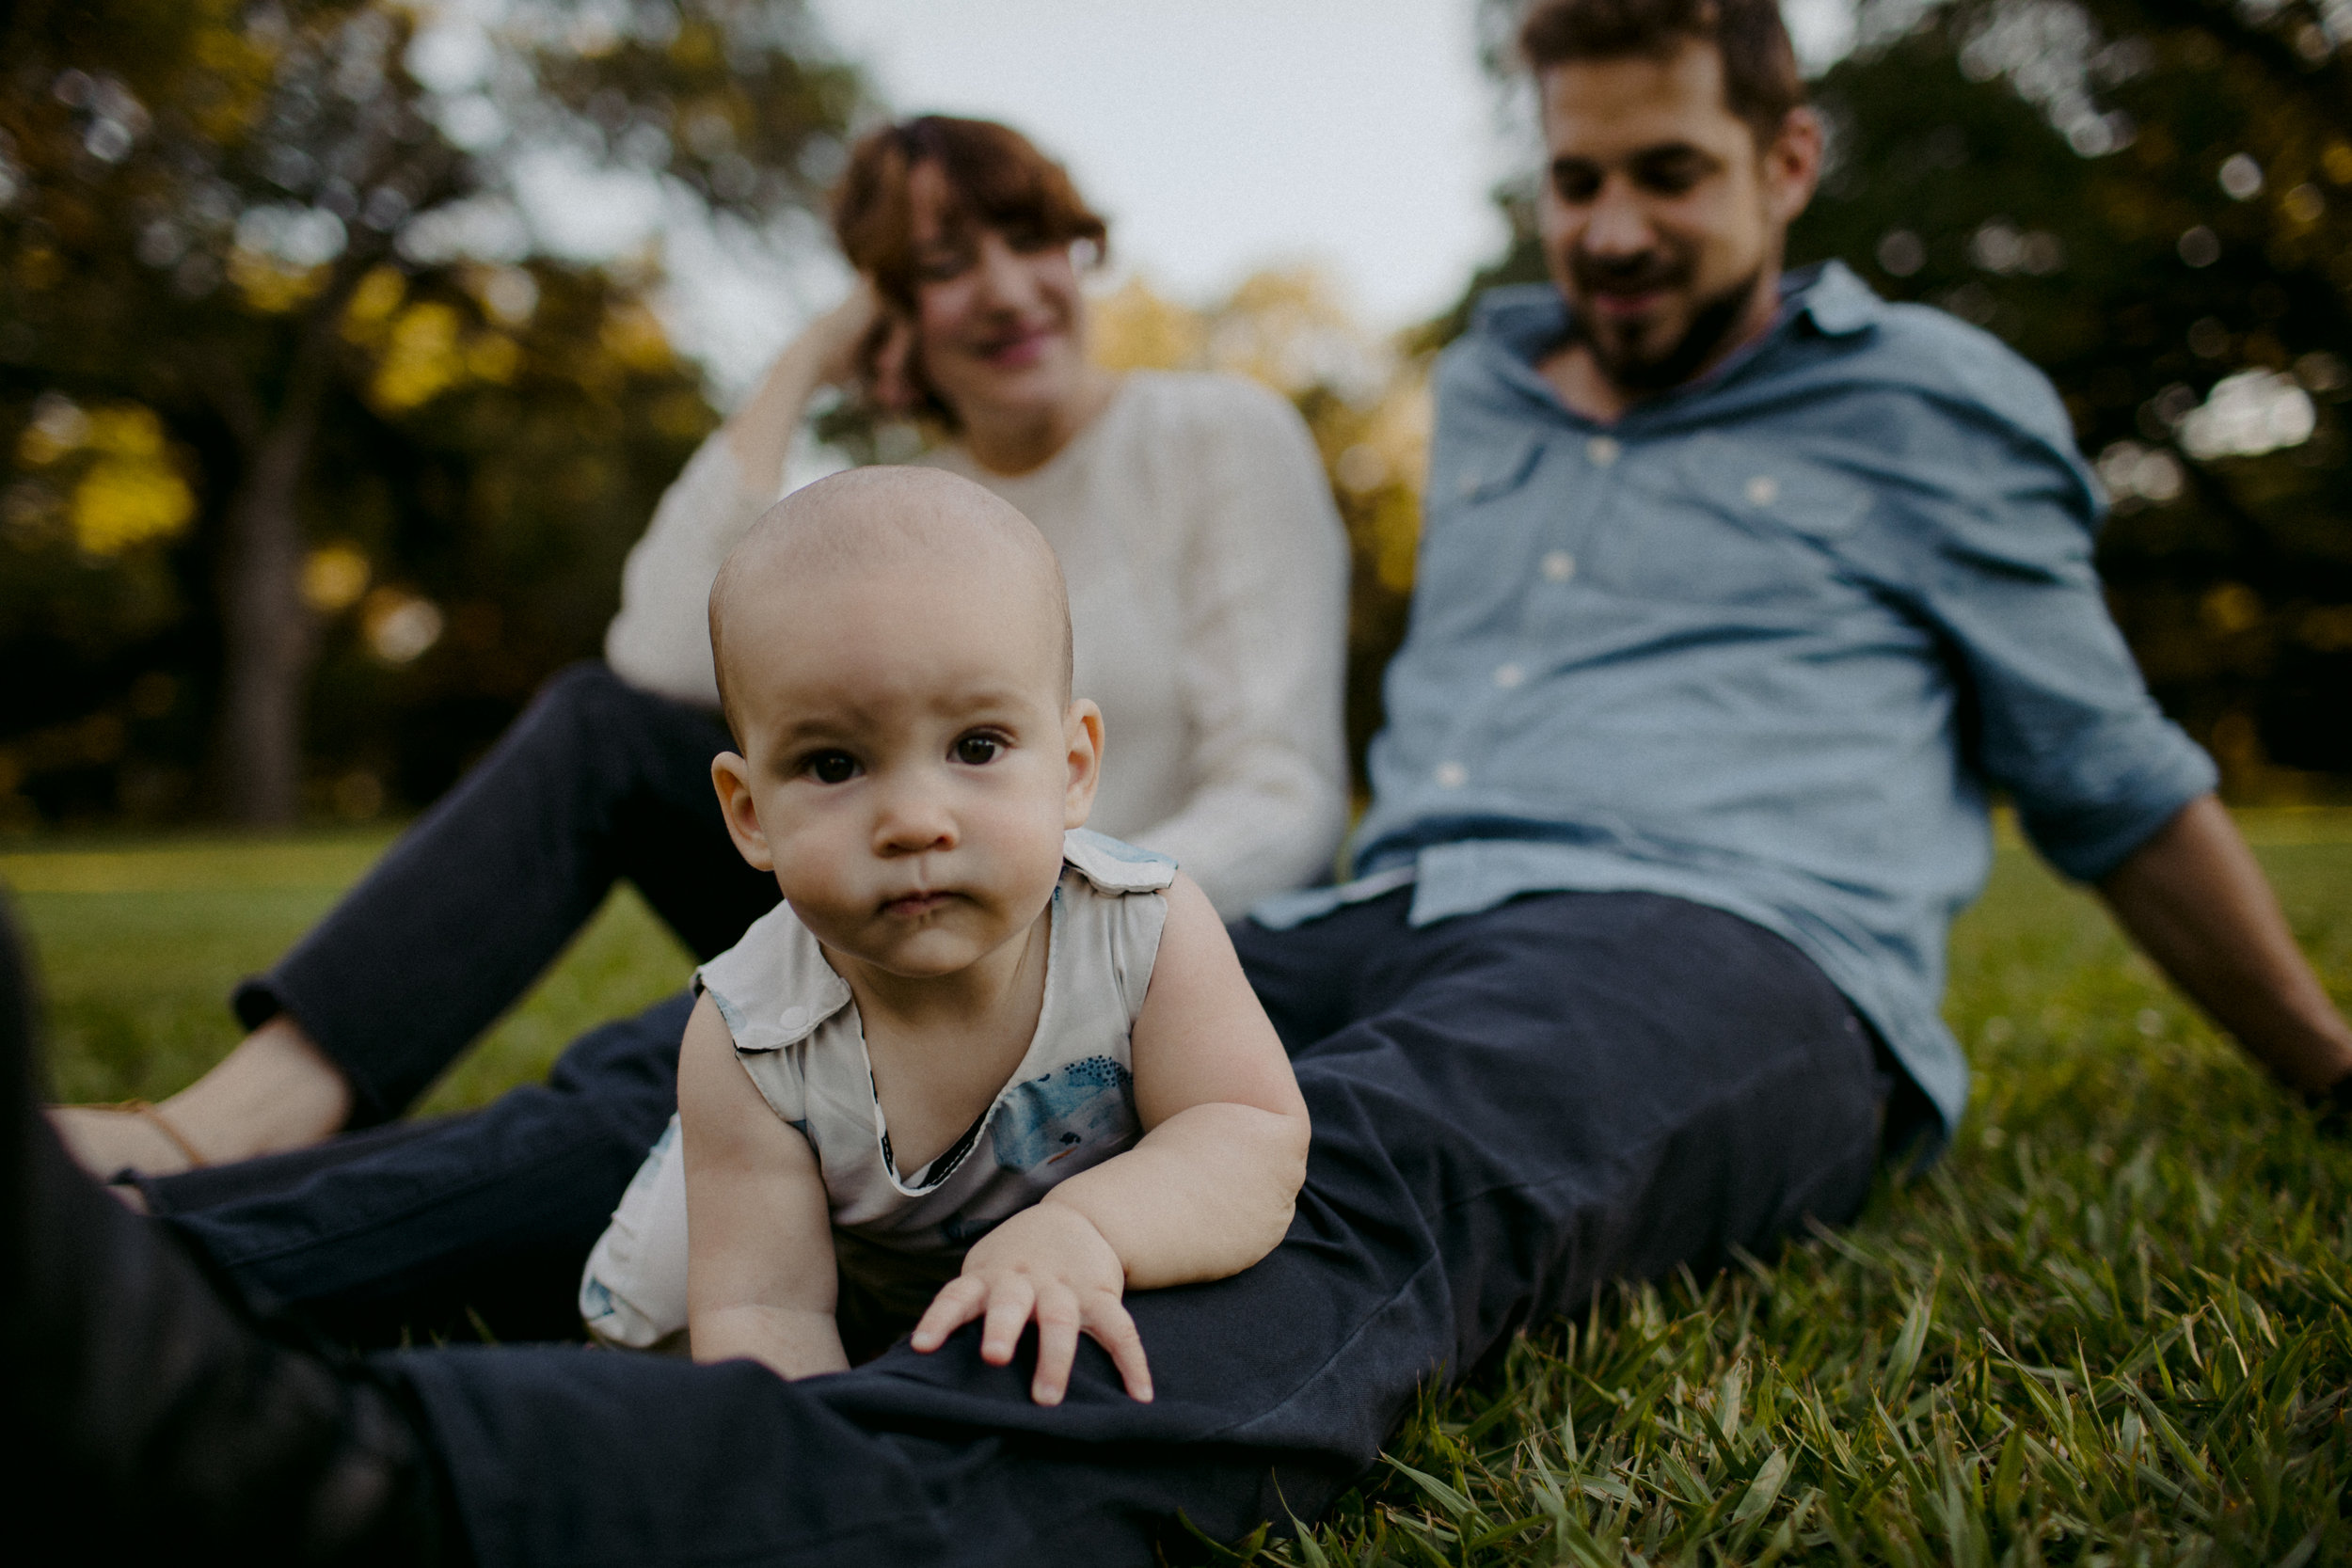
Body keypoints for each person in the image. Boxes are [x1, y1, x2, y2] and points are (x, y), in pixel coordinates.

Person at [16, 0, 2352, 1560]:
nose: (1612, 231)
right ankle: (123, 1264)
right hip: (1417, 884)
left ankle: (483, 1494)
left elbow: (2110, 774)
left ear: (1790, 156)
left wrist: (2329, 1063)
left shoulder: (1935, 402)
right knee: (703, 1068)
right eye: (1574, 182)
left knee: (1391, 1171)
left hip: (1730, 939)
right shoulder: (1512, 375)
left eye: (1669, 175)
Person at [47, 115, 1346, 1343]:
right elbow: (662, 654)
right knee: (616, 763)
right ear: (892, 311)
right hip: (875, 886)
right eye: (941, 267)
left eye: (1029, 238)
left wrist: (1061, 918)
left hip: (1150, 948)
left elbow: (1281, 791)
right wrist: (806, 360)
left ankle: (153, 1250)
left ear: (1078, 249)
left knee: (682, 1077)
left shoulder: (1214, 433)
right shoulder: (904, 506)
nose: (1004, 290)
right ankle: (209, 1131)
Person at [580, 469, 1311, 1409]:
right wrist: (825, 1465)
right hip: (749, 1282)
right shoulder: (748, 1041)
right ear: (750, 812)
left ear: (1074, 764)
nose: (916, 820)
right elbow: (768, 1307)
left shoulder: (1146, 925)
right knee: (660, 1349)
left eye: (975, 746)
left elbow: (1246, 1131)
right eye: (834, 764)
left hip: (1033, 1241)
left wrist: (1086, 1228)